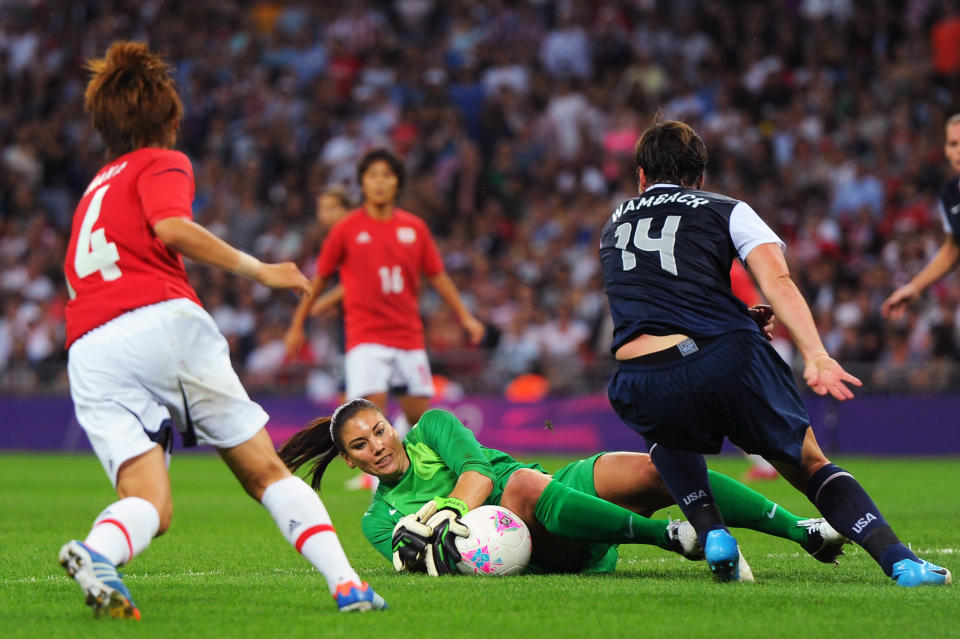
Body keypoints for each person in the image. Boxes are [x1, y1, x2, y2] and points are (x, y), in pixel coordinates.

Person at [58, 41, 386, 619]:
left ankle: (97, 552)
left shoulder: (91, 191)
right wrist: (261, 269)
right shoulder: (161, 160)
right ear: (172, 118)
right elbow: (172, 228)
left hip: (89, 346)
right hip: (159, 322)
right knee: (265, 471)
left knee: (151, 504)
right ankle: (349, 585)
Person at [599, 120, 951, 586]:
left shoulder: (614, 221)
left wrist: (733, 315)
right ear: (701, 176)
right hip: (721, 358)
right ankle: (899, 560)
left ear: (641, 175)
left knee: (665, 431)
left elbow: (660, 304)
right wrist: (817, 353)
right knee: (809, 464)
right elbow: (777, 280)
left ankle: (712, 533)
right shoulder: (727, 208)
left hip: (638, 374)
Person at [277, 398, 848, 576]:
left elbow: (477, 475)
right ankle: (673, 538)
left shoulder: (434, 427)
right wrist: (433, 547)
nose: (377, 445)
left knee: (658, 468)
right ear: (352, 462)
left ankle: (805, 533)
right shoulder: (376, 520)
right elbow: (427, 566)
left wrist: (445, 510)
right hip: (535, 539)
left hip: (558, 492)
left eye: (378, 430)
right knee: (521, 486)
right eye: (361, 445)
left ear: (390, 424)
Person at [284, 148, 485, 428]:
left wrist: (465, 317)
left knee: (419, 421)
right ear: (362, 183)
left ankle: (397, 461)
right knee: (372, 419)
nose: (379, 182)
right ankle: (373, 474)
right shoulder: (346, 230)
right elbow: (319, 280)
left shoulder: (415, 228)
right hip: (366, 338)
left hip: (408, 336)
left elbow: (438, 276)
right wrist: (297, 325)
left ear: (398, 183)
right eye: (372, 175)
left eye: (387, 175)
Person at [881, 114, 960, 320]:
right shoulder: (950, 195)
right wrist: (914, 287)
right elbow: (953, 249)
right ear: (945, 149)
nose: (958, 150)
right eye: (953, 143)